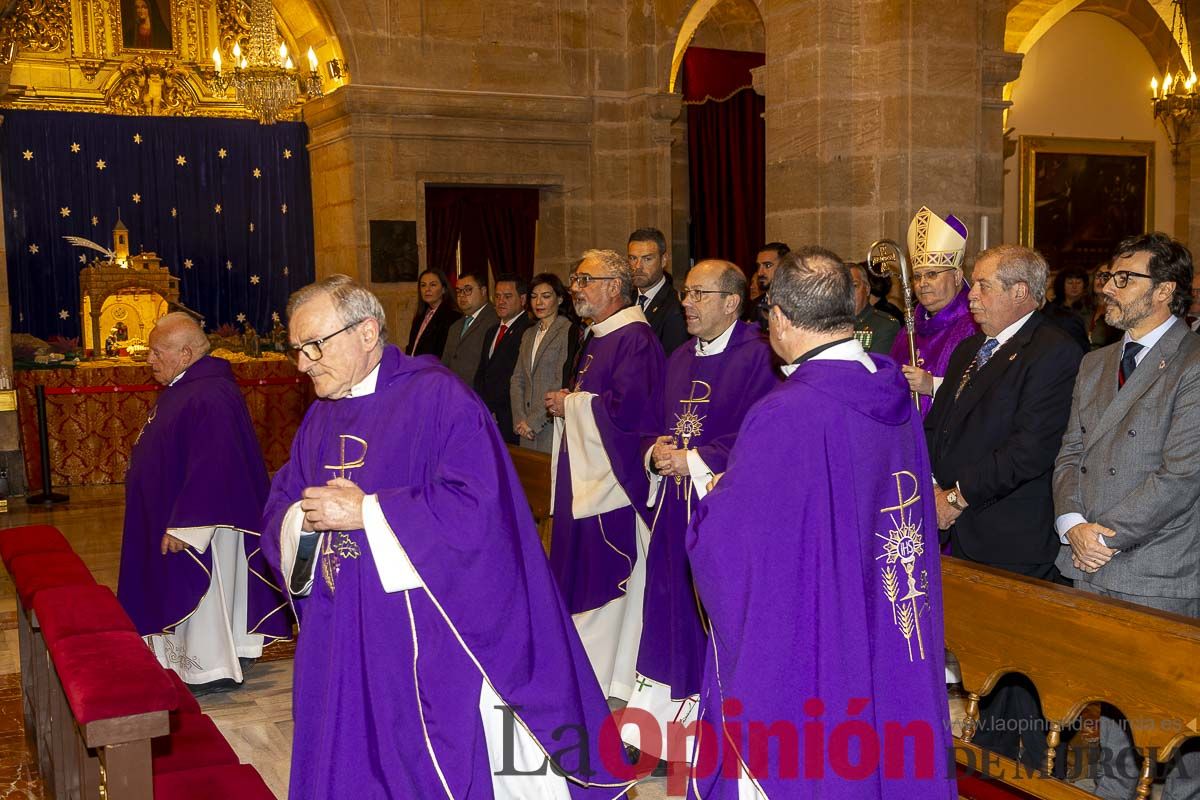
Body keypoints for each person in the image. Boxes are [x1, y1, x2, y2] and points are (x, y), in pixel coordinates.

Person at [261, 275, 633, 799]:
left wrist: (367, 510)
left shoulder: (437, 398)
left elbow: (479, 507)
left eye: (314, 346)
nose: (303, 364)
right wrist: (302, 516)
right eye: (297, 350)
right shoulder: (321, 414)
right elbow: (282, 500)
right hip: (340, 623)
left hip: (417, 632)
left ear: (367, 332)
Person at [685, 249, 955, 798]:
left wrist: (714, 497)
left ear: (781, 318)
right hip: (888, 597)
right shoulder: (892, 390)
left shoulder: (786, 412)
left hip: (818, 620)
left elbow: (731, 544)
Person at [924, 245, 1084, 769]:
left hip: (1012, 530)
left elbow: (1030, 448)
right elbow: (940, 427)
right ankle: (990, 767)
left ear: (1021, 292)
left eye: (982, 285)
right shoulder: (974, 349)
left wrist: (956, 496)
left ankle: (1039, 774)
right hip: (966, 528)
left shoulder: (1053, 350)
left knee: (1025, 670)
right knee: (984, 664)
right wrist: (928, 483)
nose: (972, 297)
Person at [1053, 232, 1200, 800]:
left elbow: (1182, 474)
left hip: (1157, 567)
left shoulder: (1191, 362)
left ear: (1164, 291)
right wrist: (1072, 524)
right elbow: (1069, 453)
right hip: (1090, 560)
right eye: (1108, 278)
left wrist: (1104, 536)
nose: (1109, 289)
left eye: (1124, 280)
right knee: (1109, 710)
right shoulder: (1095, 362)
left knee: (1169, 726)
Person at [623, 260, 777, 758]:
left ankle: (705, 729)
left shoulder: (760, 358)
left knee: (707, 612)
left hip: (722, 510)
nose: (685, 303)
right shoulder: (680, 355)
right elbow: (650, 423)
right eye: (686, 293)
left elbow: (763, 438)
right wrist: (655, 453)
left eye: (697, 294)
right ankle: (656, 729)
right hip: (672, 509)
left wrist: (691, 459)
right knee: (666, 605)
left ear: (732, 302)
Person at [118, 312, 291, 690]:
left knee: (205, 598)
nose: (150, 360)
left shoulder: (209, 393)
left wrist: (188, 526)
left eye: (156, 351)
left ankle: (206, 669)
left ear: (184, 353)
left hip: (200, 527)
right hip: (176, 514)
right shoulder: (191, 385)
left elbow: (215, 462)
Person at [545, 249, 665, 700]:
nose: (575, 288)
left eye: (585, 279)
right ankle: (586, 669)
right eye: (575, 278)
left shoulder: (635, 339)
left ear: (615, 286)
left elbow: (628, 415)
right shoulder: (597, 335)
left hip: (610, 487)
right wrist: (572, 403)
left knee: (605, 573)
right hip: (585, 478)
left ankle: (607, 675)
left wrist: (571, 405)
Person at [890, 206, 979, 416]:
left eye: (932, 274)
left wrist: (932, 385)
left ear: (957, 276)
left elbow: (983, 391)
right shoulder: (909, 329)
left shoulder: (975, 325)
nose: (923, 284)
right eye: (917, 276)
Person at [511, 273, 577, 453]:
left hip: (549, 422)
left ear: (560, 299)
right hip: (524, 426)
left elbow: (560, 380)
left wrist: (533, 422)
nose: (538, 302)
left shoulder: (567, 330)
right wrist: (520, 419)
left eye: (546, 296)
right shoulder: (528, 333)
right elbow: (517, 378)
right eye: (534, 296)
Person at [475, 274, 533, 444]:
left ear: (522, 299)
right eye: (498, 296)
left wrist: (494, 408)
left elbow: (515, 376)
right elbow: (482, 372)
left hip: (509, 417)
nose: (501, 301)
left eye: (507, 297)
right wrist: (482, 407)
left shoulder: (528, 330)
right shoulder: (491, 331)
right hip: (487, 415)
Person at [628, 228, 688, 355]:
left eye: (647, 259)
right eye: (633, 258)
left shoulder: (677, 307)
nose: (637, 266)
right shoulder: (624, 301)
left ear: (664, 260)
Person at [440, 273, 498, 387]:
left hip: (477, 396)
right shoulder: (455, 326)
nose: (461, 295)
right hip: (453, 393)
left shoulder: (495, 321)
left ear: (483, 291)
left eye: (468, 290)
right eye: (458, 291)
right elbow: (445, 363)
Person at [405, 268, 461, 357]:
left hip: (435, 368)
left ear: (443, 289)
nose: (427, 289)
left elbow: (445, 353)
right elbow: (412, 348)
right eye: (423, 285)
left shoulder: (452, 317)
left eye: (433, 285)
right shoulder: (420, 316)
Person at [849, 260, 901, 353]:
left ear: (867, 289)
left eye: (854, 286)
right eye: (843, 287)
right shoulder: (829, 325)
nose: (848, 293)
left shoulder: (885, 325)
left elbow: (877, 365)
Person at [745, 242, 790, 326]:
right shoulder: (751, 306)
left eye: (767, 265)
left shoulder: (797, 304)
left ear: (784, 267)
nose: (760, 273)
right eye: (758, 266)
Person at [1088, 263, 1123, 350]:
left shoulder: (1119, 312)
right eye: (1098, 275)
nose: (1101, 280)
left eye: (1106, 276)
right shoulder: (1084, 307)